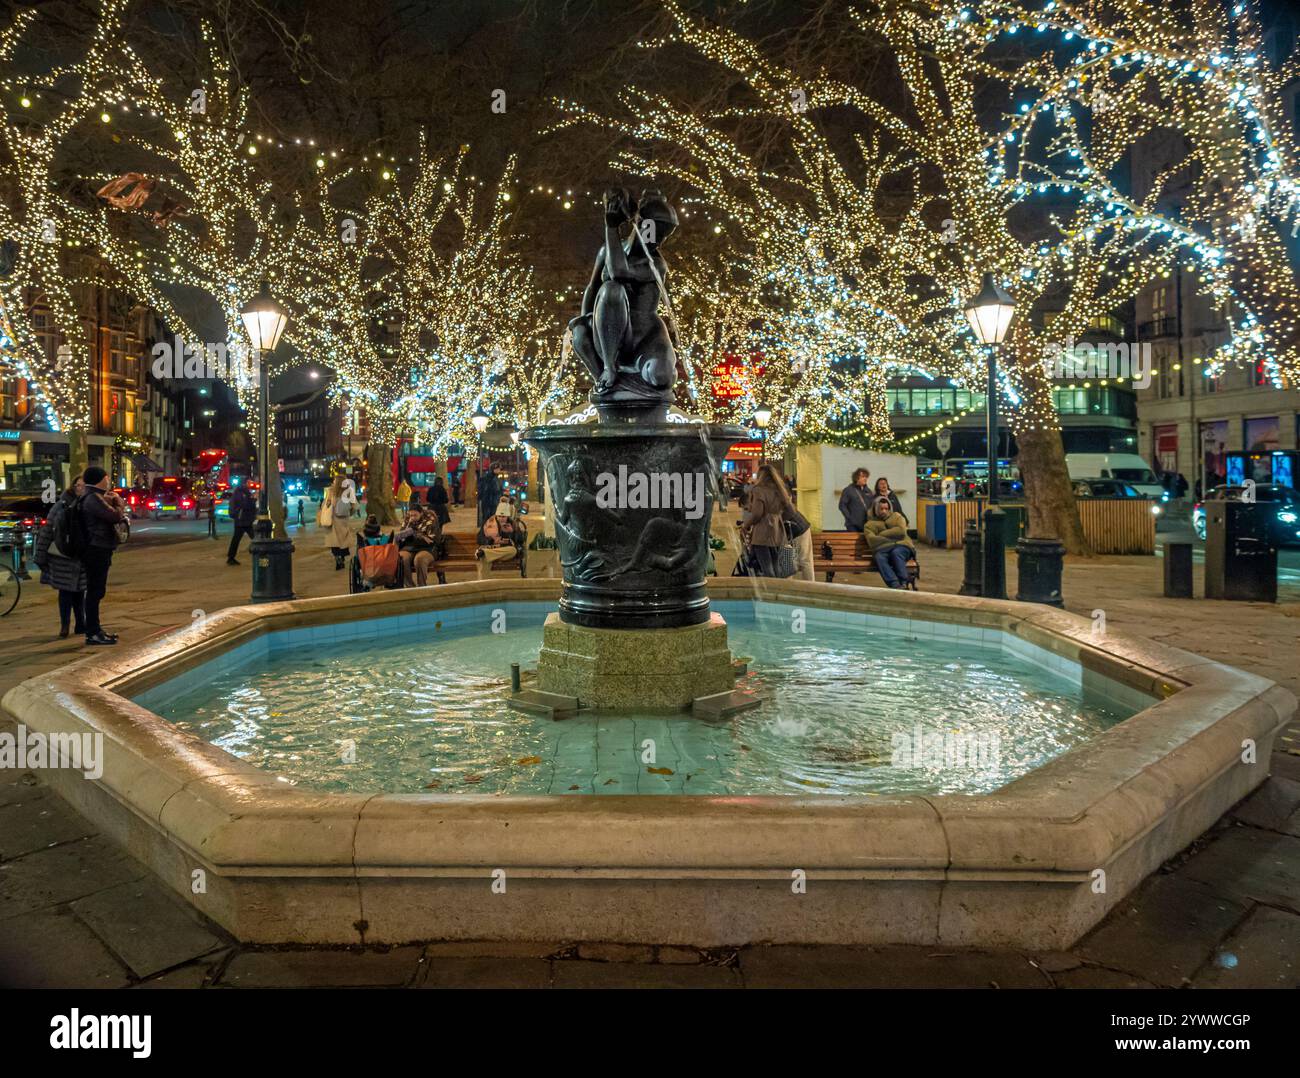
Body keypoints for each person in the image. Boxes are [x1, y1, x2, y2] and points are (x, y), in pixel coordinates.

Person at [77, 466, 127, 645]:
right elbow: (114, 516)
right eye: (106, 478)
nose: (108, 481)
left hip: (98, 548)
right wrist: (119, 502)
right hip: (96, 549)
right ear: (100, 479)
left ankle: (95, 630)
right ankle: (93, 632)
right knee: (95, 591)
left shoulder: (93, 496)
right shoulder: (93, 498)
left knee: (96, 590)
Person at [35, 476, 87, 638]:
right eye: (78, 485)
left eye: (84, 485)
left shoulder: (88, 504)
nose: (81, 488)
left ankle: (80, 623)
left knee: (79, 592)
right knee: (65, 592)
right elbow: (47, 530)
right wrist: (40, 555)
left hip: (80, 555)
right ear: (73, 486)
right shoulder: (60, 505)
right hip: (63, 555)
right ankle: (65, 625)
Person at [740, 464, 796, 578]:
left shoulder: (759, 490)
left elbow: (757, 514)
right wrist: (778, 518)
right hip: (778, 533)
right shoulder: (780, 489)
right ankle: (777, 590)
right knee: (776, 566)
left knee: (766, 567)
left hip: (762, 533)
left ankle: (769, 592)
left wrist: (746, 525)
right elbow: (791, 511)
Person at [864, 495, 915, 589]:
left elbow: (901, 531)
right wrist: (892, 538)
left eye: (886, 509)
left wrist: (881, 534)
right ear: (875, 509)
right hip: (884, 549)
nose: (884, 511)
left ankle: (904, 582)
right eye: (881, 509)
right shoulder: (869, 524)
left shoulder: (897, 516)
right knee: (879, 557)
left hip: (903, 546)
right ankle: (895, 584)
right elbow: (872, 540)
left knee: (896, 553)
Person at [396, 506, 443, 586]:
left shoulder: (430, 520)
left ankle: (422, 586)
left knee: (419, 559)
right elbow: (401, 536)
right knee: (402, 558)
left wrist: (415, 534)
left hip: (427, 549)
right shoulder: (408, 521)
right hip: (409, 548)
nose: (412, 517)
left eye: (415, 515)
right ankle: (410, 586)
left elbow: (431, 539)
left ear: (421, 513)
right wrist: (410, 528)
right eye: (411, 515)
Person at [322, 475, 359, 570]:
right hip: (344, 520)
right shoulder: (349, 491)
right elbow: (355, 506)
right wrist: (349, 513)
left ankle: (337, 558)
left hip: (333, 520)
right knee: (343, 541)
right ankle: (342, 558)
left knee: (334, 541)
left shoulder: (330, 491)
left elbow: (326, 504)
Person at [477, 502, 522, 578]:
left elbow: (520, 540)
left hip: (505, 551)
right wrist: (490, 540)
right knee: (486, 558)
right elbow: (479, 538)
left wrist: (513, 532)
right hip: (493, 548)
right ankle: (484, 582)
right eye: (499, 516)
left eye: (503, 516)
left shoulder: (512, 524)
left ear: (507, 516)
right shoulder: (489, 523)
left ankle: (485, 553)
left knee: (513, 551)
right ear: (496, 516)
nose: (501, 518)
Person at [226, 481, 257, 565]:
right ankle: (261, 554)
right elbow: (245, 505)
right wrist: (253, 500)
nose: (249, 484)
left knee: (236, 539)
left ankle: (231, 557)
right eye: (248, 482)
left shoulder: (240, 493)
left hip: (241, 520)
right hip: (244, 520)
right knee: (255, 537)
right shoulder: (243, 494)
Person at [838, 467, 872, 531]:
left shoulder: (868, 491)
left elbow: (872, 506)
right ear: (856, 478)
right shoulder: (848, 490)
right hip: (852, 525)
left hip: (866, 524)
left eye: (866, 477)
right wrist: (849, 518)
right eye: (863, 476)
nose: (865, 478)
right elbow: (842, 505)